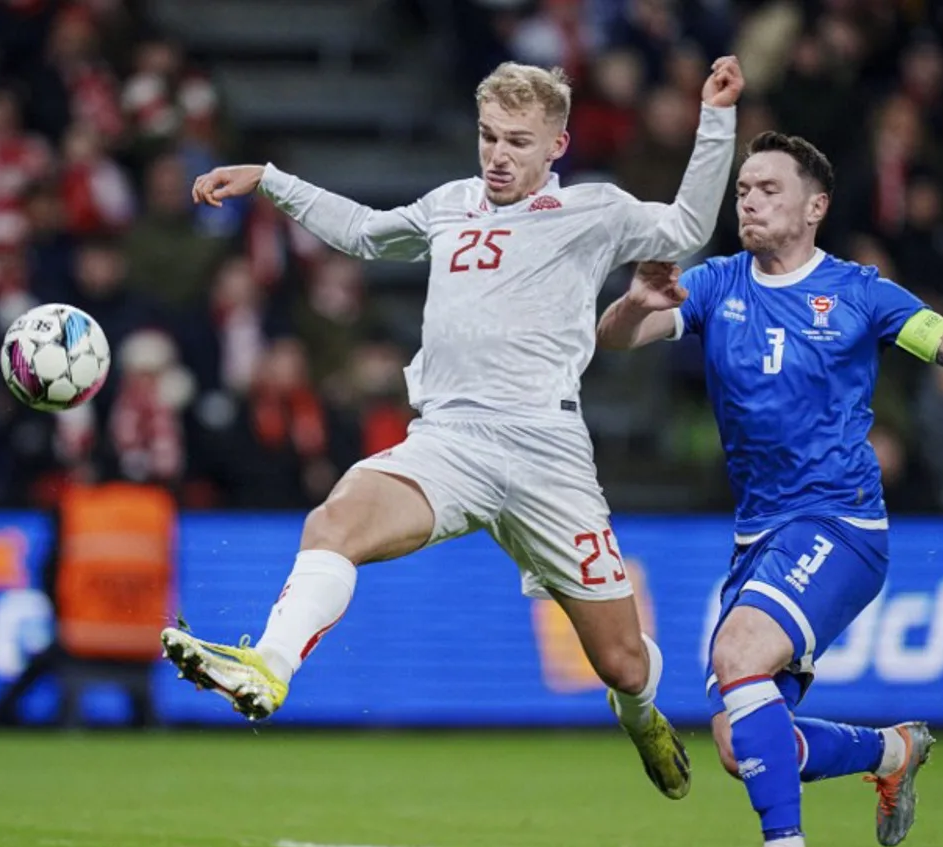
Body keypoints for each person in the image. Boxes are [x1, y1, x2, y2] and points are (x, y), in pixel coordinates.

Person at [160, 57, 745, 802]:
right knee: (333, 522)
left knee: (624, 663)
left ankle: (639, 718)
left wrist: (717, 116)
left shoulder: (592, 210)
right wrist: (272, 179)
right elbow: (369, 235)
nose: (498, 155)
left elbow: (688, 226)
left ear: (556, 146)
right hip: (450, 442)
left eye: (518, 142)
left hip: (547, 456)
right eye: (488, 136)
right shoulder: (450, 204)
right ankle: (269, 666)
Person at [596, 131, 943, 847]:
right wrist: (631, 304)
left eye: (768, 189)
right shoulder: (715, 284)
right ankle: (893, 750)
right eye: (744, 189)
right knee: (743, 746)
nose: (749, 200)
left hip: (839, 525)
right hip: (759, 536)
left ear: (816, 207)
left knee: (737, 656)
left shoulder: (858, 293)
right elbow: (622, 338)